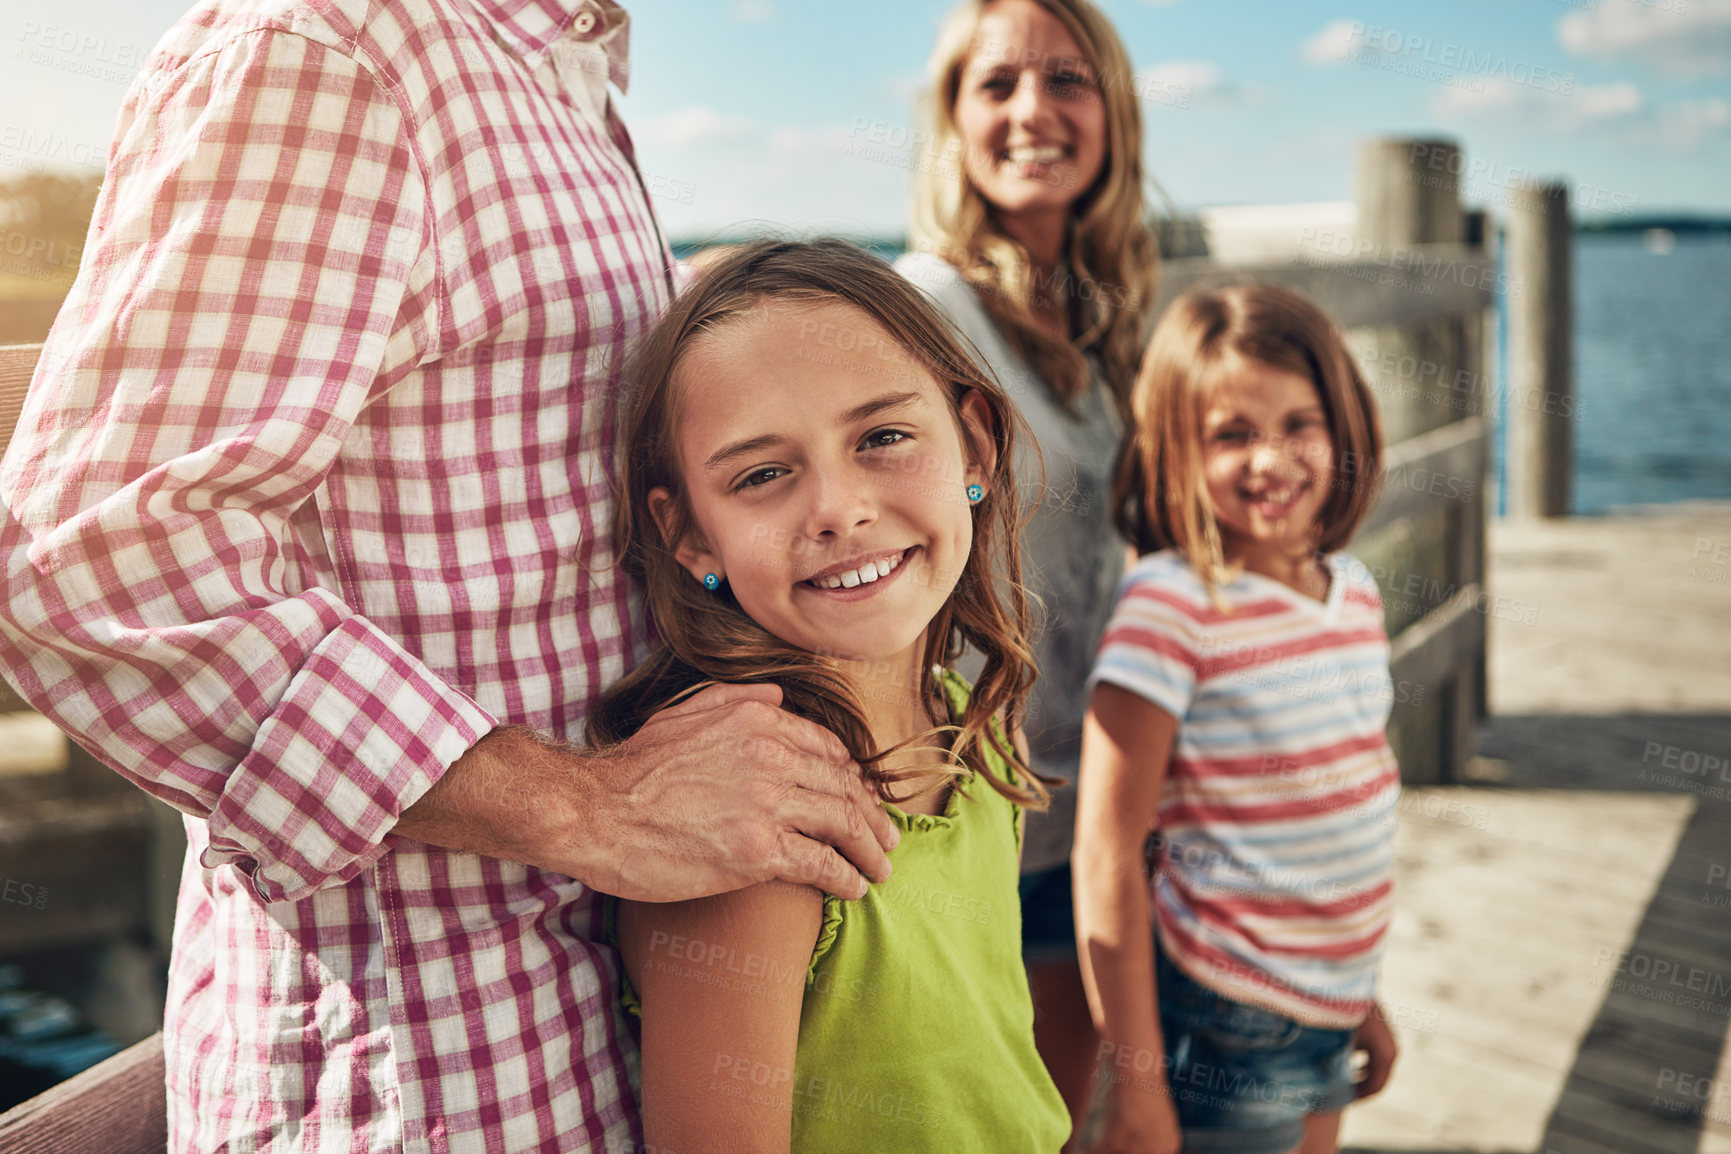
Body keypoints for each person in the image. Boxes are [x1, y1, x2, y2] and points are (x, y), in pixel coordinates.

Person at [0, 3, 898, 1150]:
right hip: (416, 1086)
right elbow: (96, 560)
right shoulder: (335, 49)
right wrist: (586, 804)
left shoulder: (561, 76)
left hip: (583, 1050)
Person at [594, 239, 1069, 1153]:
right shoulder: (751, 830)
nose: (839, 509)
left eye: (883, 438)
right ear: (690, 534)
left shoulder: (969, 721)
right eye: (763, 474)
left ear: (972, 443)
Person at [895, 0, 1158, 1134]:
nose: (1033, 110)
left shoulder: (1108, 321)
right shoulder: (927, 306)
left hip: (1083, 811)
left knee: (1062, 1110)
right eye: (996, 85)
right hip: (964, 806)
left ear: (1112, 110)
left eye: (1067, 80)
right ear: (952, 119)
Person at [1073, 283, 1400, 1154]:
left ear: (1343, 426)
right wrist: (1135, 1093)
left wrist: (1360, 999)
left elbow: (1331, 812)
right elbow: (1107, 852)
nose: (1272, 459)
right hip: (1227, 1016)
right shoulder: (1170, 605)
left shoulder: (1353, 593)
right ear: (1177, 448)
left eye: (1299, 424)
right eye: (1232, 435)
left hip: (1332, 995)